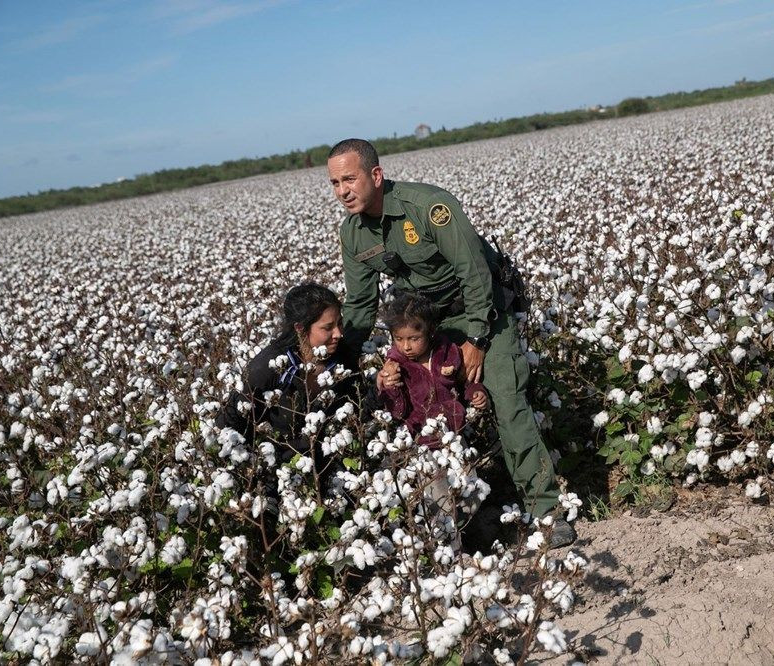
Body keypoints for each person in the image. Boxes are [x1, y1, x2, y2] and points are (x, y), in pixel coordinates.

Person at [326, 138, 576, 547]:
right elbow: (359, 305)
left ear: (375, 174)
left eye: (349, 179)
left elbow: (476, 272)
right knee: (418, 420)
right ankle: (450, 530)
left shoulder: (429, 207)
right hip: (424, 330)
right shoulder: (353, 234)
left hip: (480, 313)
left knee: (506, 402)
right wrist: (339, 362)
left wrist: (476, 338)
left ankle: (546, 513)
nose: (343, 191)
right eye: (335, 183)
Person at [216, 282, 358, 467]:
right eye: (328, 327)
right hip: (276, 466)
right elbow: (228, 423)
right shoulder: (268, 367)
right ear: (300, 328)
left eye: (339, 323)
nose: (338, 333)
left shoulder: (343, 359)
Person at [378, 290, 490, 446]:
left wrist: (476, 392)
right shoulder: (397, 367)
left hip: (454, 434)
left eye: (414, 338)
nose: (406, 346)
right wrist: (391, 387)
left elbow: (465, 382)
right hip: (418, 437)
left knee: (464, 470)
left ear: (430, 331)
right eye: (399, 339)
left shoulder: (448, 353)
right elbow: (398, 412)